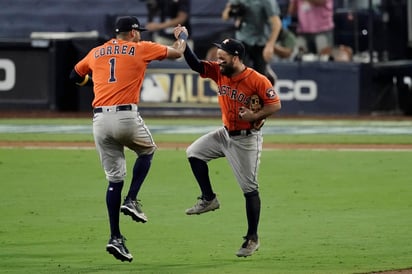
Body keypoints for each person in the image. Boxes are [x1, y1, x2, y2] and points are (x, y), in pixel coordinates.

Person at [69, 16, 185, 262]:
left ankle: (115, 236)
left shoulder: (96, 51)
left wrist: (93, 82)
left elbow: (74, 76)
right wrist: (181, 37)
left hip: (99, 121)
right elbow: (177, 53)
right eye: (138, 31)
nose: (140, 34)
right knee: (147, 151)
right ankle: (131, 199)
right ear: (132, 32)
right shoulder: (140, 48)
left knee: (113, 180)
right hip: (125, 116)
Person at [174, 25, 281, 257]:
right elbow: (195, 64)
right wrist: (184, 39)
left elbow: (275, 104)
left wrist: (254, 115)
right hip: (224, 134)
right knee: (194, 152)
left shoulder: (257, 79)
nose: (218, 60)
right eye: (218, 56)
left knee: (249, 189)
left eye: (223, 57)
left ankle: (252, 238)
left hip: (246, 140)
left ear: (236, 57)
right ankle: (209, 198)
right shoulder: (219, 71)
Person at [221, 0, 282, 85]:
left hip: (260, 40)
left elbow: (277, 24)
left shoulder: (267, 2)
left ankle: (266, 75)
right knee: (239, 72)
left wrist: (270, 45)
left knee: (261, 76)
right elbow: (225, 16)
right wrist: (232, 10)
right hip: (242, 40)